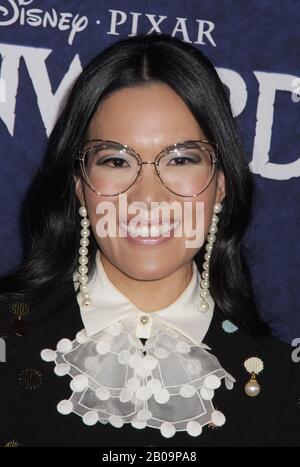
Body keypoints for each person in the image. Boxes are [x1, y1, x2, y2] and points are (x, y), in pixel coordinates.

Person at [0, 33, 299, 447]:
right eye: (116, 161)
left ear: (222, 183)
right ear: (79, 185)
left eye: (180, 159)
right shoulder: (7, 342)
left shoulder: (282, 384)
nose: (147, 198)